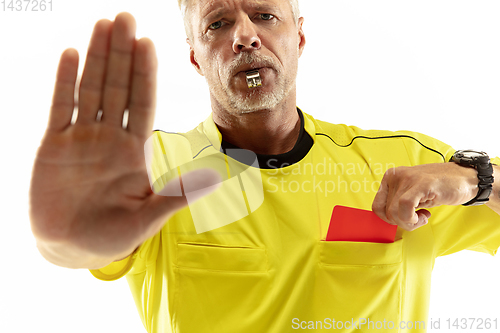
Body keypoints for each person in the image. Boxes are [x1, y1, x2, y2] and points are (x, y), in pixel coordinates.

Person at [29, 0, 500, 332]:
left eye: (264, 15)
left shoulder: (403, 162)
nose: (244, 36)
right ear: (195, 57)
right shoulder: (153, 169)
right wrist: (63, 238)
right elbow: (77, 249)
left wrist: (479, 179)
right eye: (216, 24)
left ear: (298, 35)